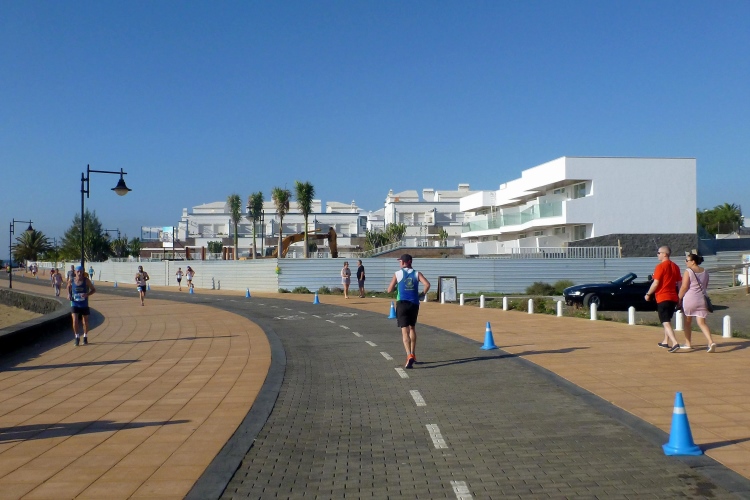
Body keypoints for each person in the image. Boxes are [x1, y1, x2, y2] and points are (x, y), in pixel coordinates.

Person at [387, 254, 431, 369]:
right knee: (412, 328)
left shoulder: (397, 274)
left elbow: (389, 290)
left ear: (403, 262)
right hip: (414, 304)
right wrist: (422, 294)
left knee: (404, 331)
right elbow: (427, 284)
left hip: (402, 303)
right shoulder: (417, 273)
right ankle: (413, 353)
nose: (399, 263)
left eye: (400, 261)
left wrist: (396, 287)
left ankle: (408, 355)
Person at [644, 245, 682, 353]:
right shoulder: (675, 266)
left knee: (665, 321)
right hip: (673, 297)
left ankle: (675, 342)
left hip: (663, 297)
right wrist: (680, 298)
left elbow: (656, 283)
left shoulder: (660, 267)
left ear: (665, 254)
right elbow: (679, 283)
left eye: (659, 253)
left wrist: (648, 294)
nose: (657, 254)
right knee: (668, 320)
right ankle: (665, 341)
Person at [678, 252, 717, 352]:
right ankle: (711, 342)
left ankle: (688, 343)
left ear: (693, 262)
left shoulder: (688, 271)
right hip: (702, 299)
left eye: (687, 260)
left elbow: (684, 287)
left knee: (687, 322)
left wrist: (679, 298)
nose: (685, 262)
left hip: (690, 299)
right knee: (702, 323)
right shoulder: (705, 271)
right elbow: (705, 286)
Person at [68, 265, 96, 346]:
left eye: (81, 272)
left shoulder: (86, 280)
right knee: (75, 320)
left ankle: (85, 336)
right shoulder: (71, 280)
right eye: (78, 272)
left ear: (83, 272)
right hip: (74, 303)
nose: (79, 273)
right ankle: (76, 337)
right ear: (75, 272)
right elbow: (68, 287)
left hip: (84, 303)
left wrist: (87, 294)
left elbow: (93, 290)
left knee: (85, 321)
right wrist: (69, 294)